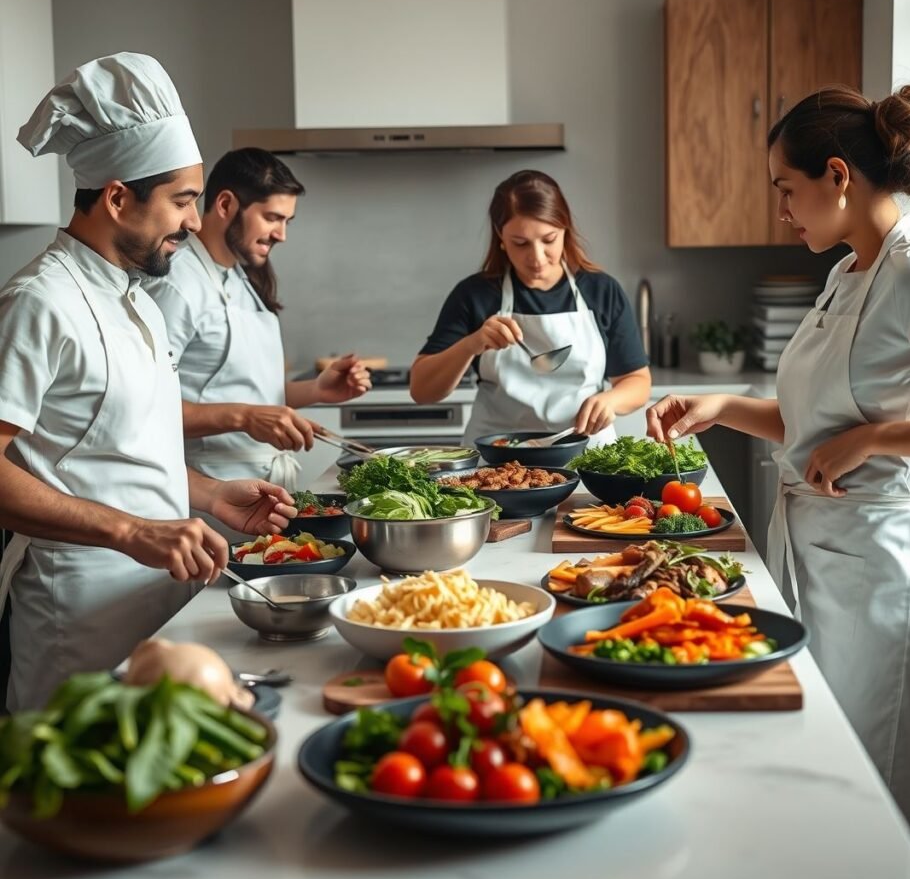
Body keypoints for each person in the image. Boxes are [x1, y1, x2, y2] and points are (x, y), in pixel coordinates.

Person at [647, 85, 910, 832]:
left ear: (838, 177)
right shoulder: (848, 273)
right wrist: (720, 407)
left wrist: (880, 439)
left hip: (885, 570)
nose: (783, 210)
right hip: (822, 554)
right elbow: (814, 423)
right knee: (822, 781)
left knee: (876, 799)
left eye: (788, 189)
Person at [0, 53, 296, 712]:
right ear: (115, 197)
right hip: (77, 611)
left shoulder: (134, 298)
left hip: (159, 593)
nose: (194, 223)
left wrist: (212, 494)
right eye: (182, 202)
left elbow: (123, 451)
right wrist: (134, 532)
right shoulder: (39, 302)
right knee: (77, 805)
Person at [146, 148, 370, 491]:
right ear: (225, 205)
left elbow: (243, 391)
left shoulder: (238, 278)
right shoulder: (177, 286)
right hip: (210, 492)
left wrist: (317, 389)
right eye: (272, 218)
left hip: (263, 488)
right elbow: (145, 407)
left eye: (286, 221)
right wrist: (246, 417)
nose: (281, 234)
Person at [411, 170, 651, 444]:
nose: (536, 258)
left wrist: (611, 400)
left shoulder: (601, 290)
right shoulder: (474, 295)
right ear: (501, 237)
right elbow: (422, 391)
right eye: (520, 243)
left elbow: (637, 381)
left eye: (548, 240)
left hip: (586, 457)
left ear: (565, 229)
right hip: (496, 461)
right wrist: (472, 343)